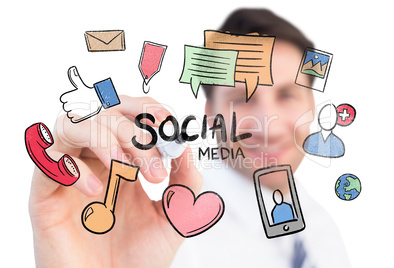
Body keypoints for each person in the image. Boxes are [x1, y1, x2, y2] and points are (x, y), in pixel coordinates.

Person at [28, 8, 350, 268]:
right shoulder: (174, 240)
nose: (269, 123)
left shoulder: (319, 225)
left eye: (287, 95)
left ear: (313, 103)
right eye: (243, 98)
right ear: (211, 115)